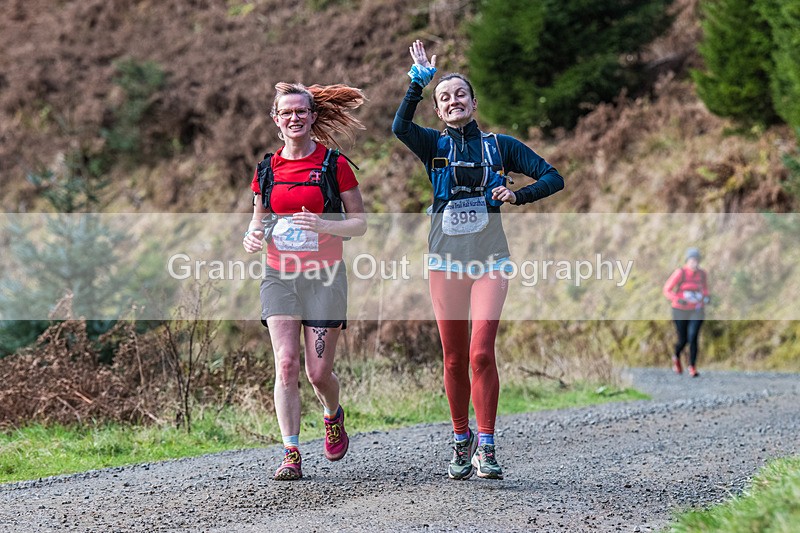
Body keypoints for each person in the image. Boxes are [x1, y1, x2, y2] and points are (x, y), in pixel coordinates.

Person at [392, 41, 565, 480]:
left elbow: (553, 176)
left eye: (460, 95)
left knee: (481, 353)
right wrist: (417, 83)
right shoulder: (430, 143)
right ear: (437, 109)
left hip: (491, 261)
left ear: (474, 102)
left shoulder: (499, 145)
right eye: (444, 98)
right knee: (453, 359)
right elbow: (398, 126)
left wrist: (517, 194)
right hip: (444, 264)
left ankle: (486, 445)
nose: (453, 101)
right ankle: (460, 437)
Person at [243, 82, 367, 480]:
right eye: (287, 112)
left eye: (301, 111)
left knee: (317, 373)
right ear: (276, 120)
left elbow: (361, 224)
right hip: (280, 275)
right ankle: (291, 452)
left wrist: (323, 222)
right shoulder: (266, 169)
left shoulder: (334, 165)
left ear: (312, 117)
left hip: (325, 278)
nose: (294, 118)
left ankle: (332, 415)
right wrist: (252, 236)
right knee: (286, 363)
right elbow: (259, 220)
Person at [662, 247, 710, 378]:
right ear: (687, 261)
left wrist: (706, 297)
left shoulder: (702, 274)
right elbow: (667, 289)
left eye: (696, 260)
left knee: (693, 336)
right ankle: (676, 356)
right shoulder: (680, 273)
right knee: (683, 339)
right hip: (680, 310)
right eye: (692, 260)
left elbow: (705, 289)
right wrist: (677, 299)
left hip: (697, 309)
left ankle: (692, 366)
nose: (694, 263)